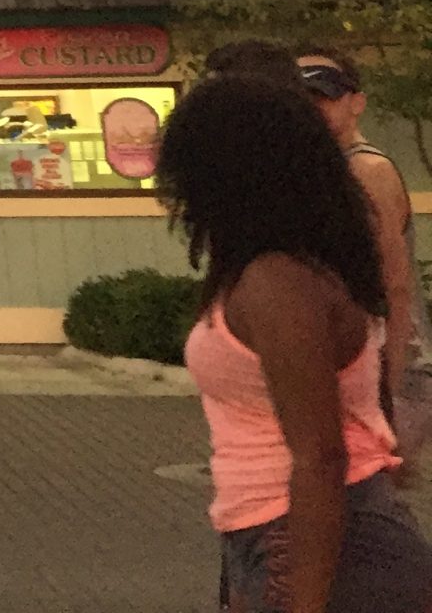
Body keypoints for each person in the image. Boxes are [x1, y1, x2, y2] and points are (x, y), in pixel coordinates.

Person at [163, 71, 432, 610]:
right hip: (275, 529)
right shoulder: (268, 267)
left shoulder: (278, 281)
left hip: (324, 540)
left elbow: (320, 456)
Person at [299, 47, 432, 462]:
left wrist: (389, 392)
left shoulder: (366, 170)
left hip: (390, 365)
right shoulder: (323, 171)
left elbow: (394, 285)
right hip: (352, 364)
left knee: (369, 496)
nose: (313, 108)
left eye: (324, 96)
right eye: (300, 98)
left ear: (356, 103)